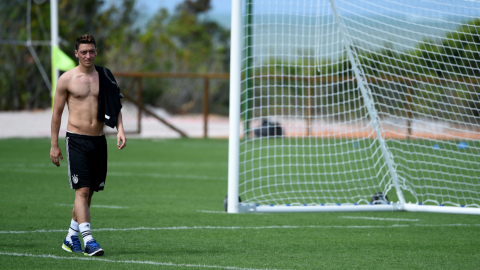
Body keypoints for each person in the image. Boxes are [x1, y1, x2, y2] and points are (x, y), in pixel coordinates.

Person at [50, 34, 126, 256]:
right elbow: (56, 114)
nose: (88, 55)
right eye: (83, 52)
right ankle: (88, 240)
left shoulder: (104, 75)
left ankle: (70, 237)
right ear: (76, 53)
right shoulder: (66, 79)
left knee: (89, 192)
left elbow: (115, 105)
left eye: (91, 51)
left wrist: (120, 129)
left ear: (96, 51)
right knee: (82, 190)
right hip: (77, 141)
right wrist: (54, 144)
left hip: (99, 141)